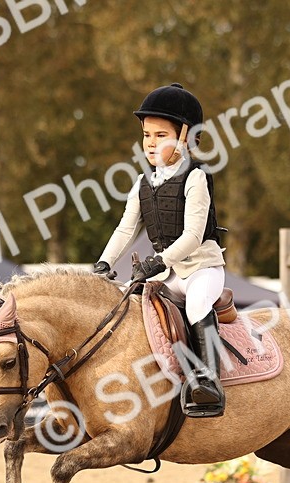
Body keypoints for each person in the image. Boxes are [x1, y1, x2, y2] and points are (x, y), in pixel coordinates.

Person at [93, 83, 226, 418]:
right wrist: (104, 262)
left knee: (196, 303)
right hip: (166, 274)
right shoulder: (143, 182)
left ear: (184, 136)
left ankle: (208, 380)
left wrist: (156, 262)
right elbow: (126, 228)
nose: (150, 143)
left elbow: (194, 236)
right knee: (124, 302)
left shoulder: (197, 177)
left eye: (160, 134)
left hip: (201, 270)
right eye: (146, 134)